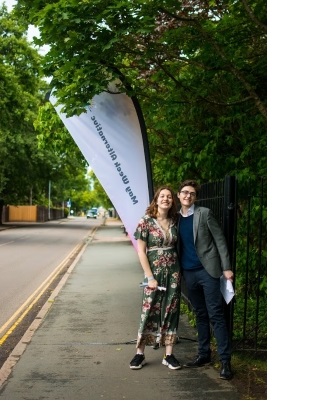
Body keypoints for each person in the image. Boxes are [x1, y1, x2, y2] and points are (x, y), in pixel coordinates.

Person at [176, 179, 234, 380]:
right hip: (188, 273)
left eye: (191, 193)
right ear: (179, 195)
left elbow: (220, 241)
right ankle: (204, 354)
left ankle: (226, 361)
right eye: (184, 192)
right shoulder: (176, 219)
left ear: (195, 197)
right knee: (200, 314)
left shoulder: (205, 213)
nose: (187, 196)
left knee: (215, 315)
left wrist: (226, 268)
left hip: (208, 271)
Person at [129, 186, 182, 370]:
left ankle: (169, 354)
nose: (166, 199)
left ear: (172, 201)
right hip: (154, 273)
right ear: (156, 200)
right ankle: (139, 353)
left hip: (173, 272)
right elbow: (141, 252)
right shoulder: (146, 221)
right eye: (162, 196)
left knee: (171, 310)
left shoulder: (175, 221)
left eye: (169, 196)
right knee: (149, 309)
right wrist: (150, 276)